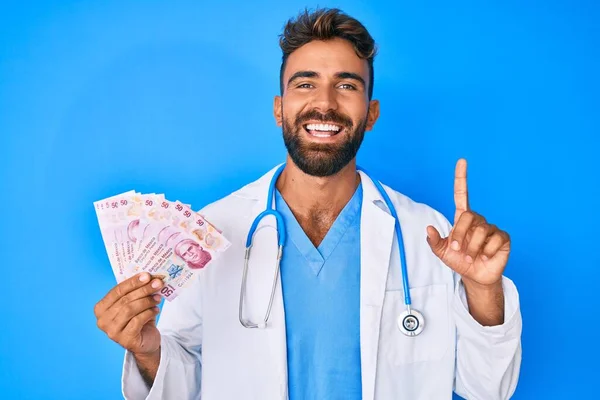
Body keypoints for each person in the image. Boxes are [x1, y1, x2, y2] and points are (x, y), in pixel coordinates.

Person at [93, 7, 522, 399]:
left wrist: (483, 290)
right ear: (280, 108)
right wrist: (150, 351)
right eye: (305, 83)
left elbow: (487, 389)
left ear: (371, 114)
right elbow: (183, 386)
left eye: (346, 85)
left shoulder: (428, 234)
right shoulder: (213, 231)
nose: (325, 103)